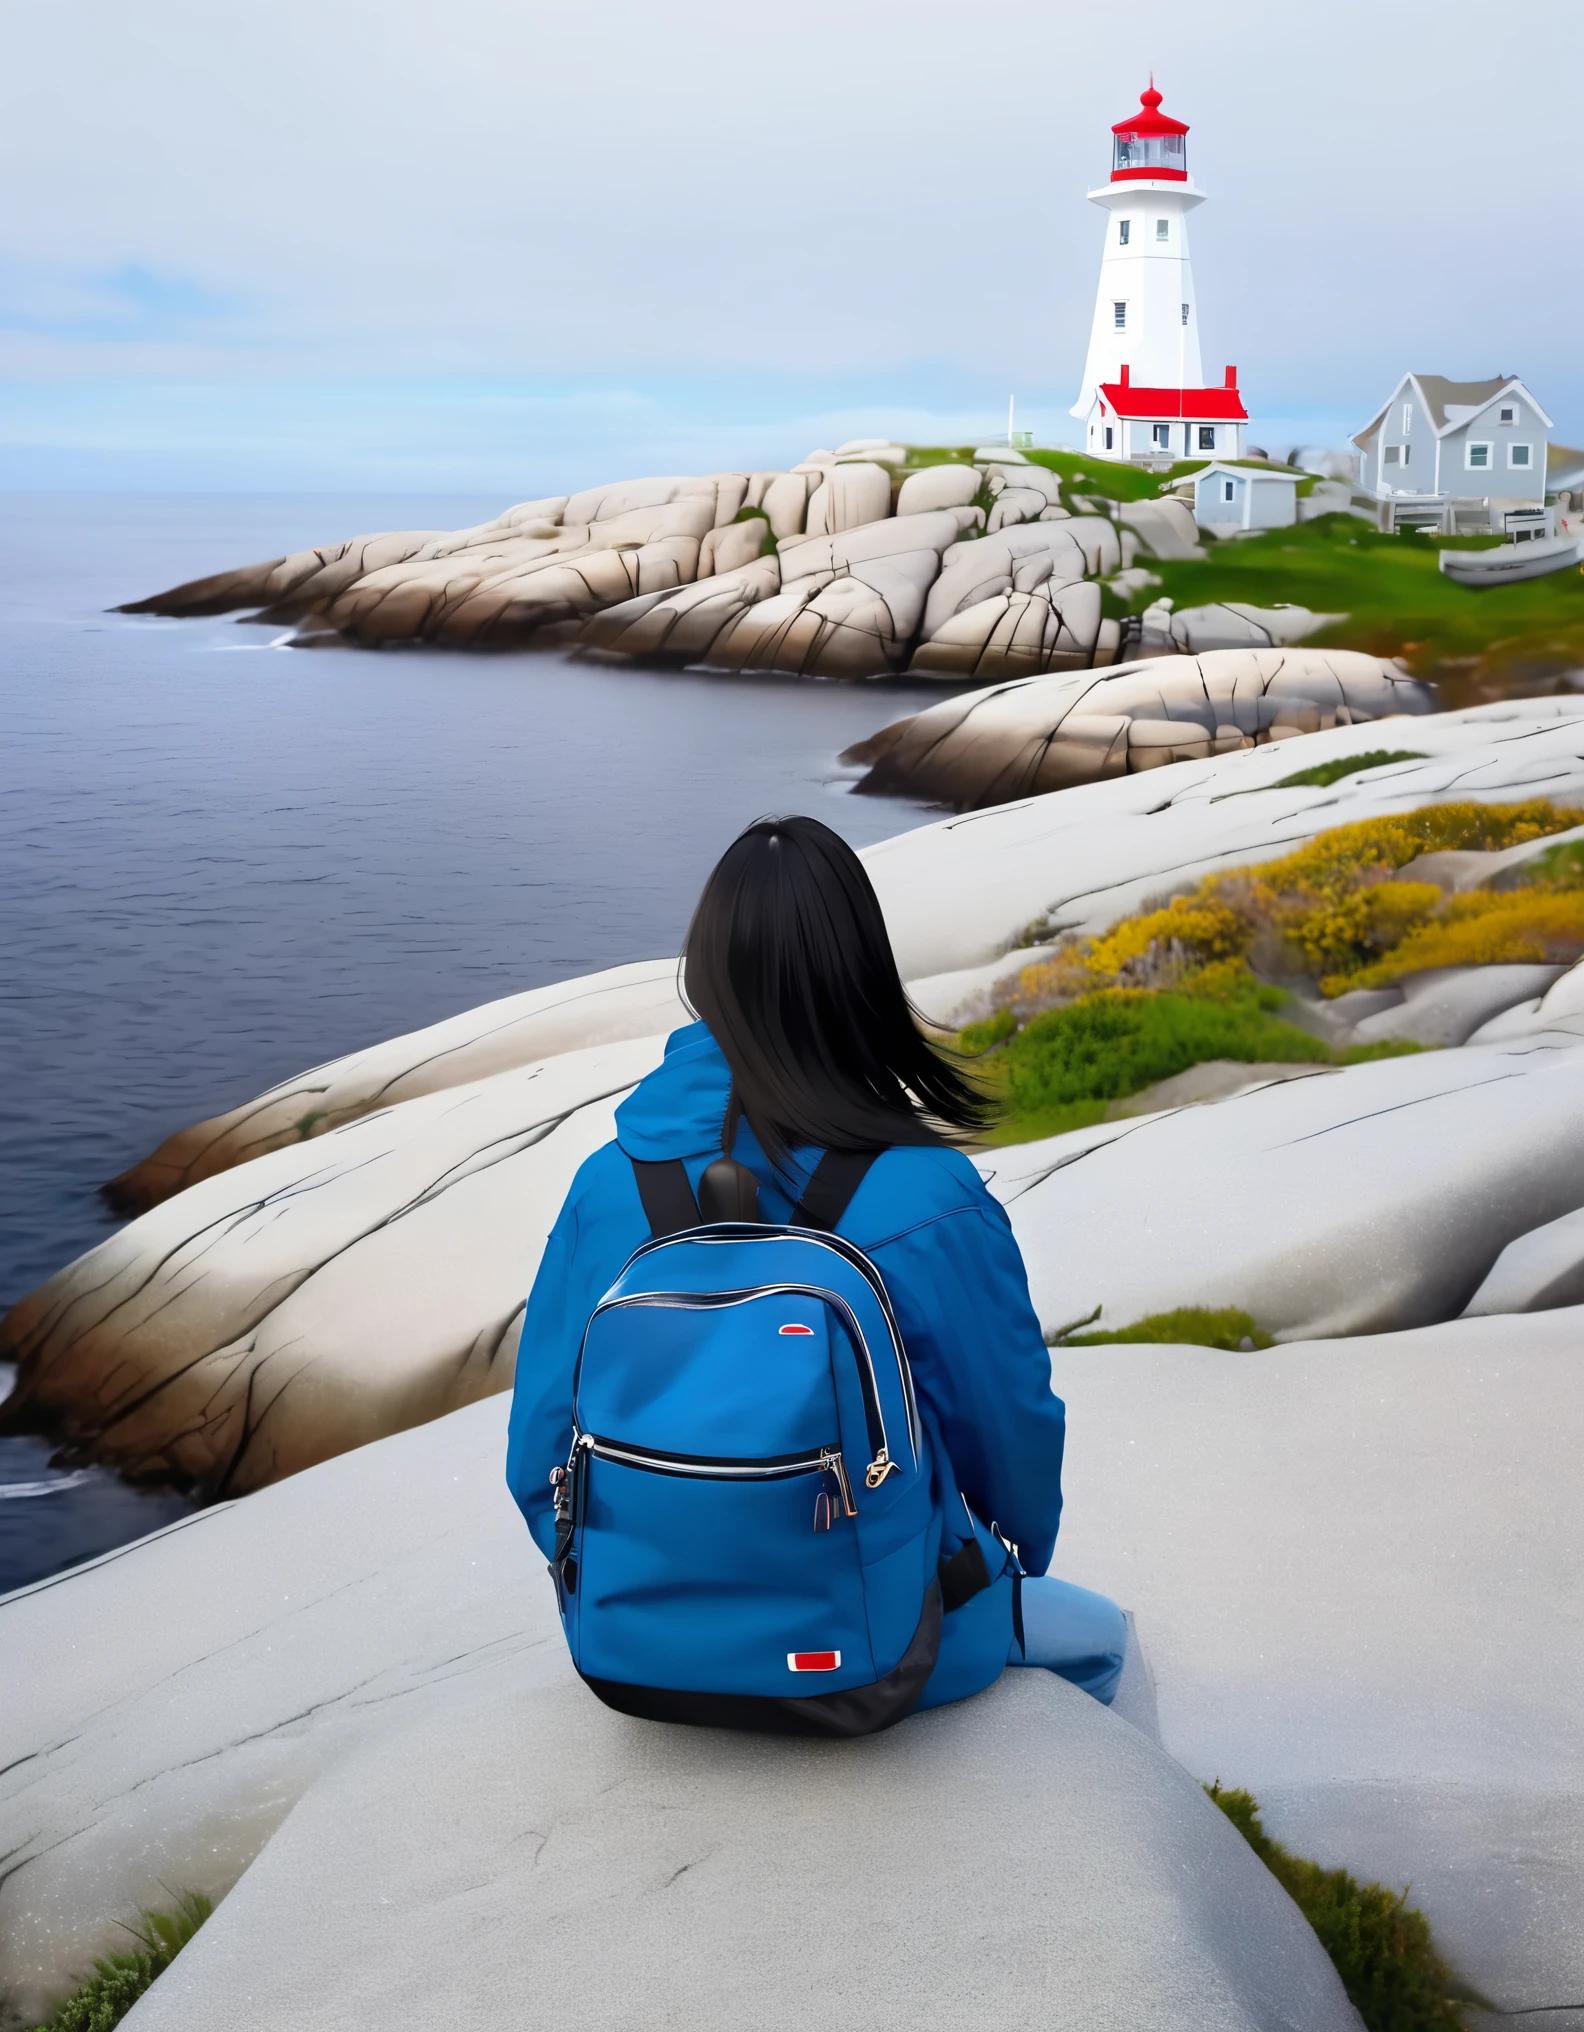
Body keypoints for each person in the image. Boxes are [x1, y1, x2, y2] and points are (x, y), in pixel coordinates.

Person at [505, 814, 1126, 1716]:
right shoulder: (930, 1195)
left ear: (705, 974)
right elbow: (1010, 1430)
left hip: (634, 1643)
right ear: (859, 975)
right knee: (1104, 1644)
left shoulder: (605, 1187)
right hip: (894, 1647)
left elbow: (540, 1452)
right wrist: (1009, 1563)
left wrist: (632, 1578)